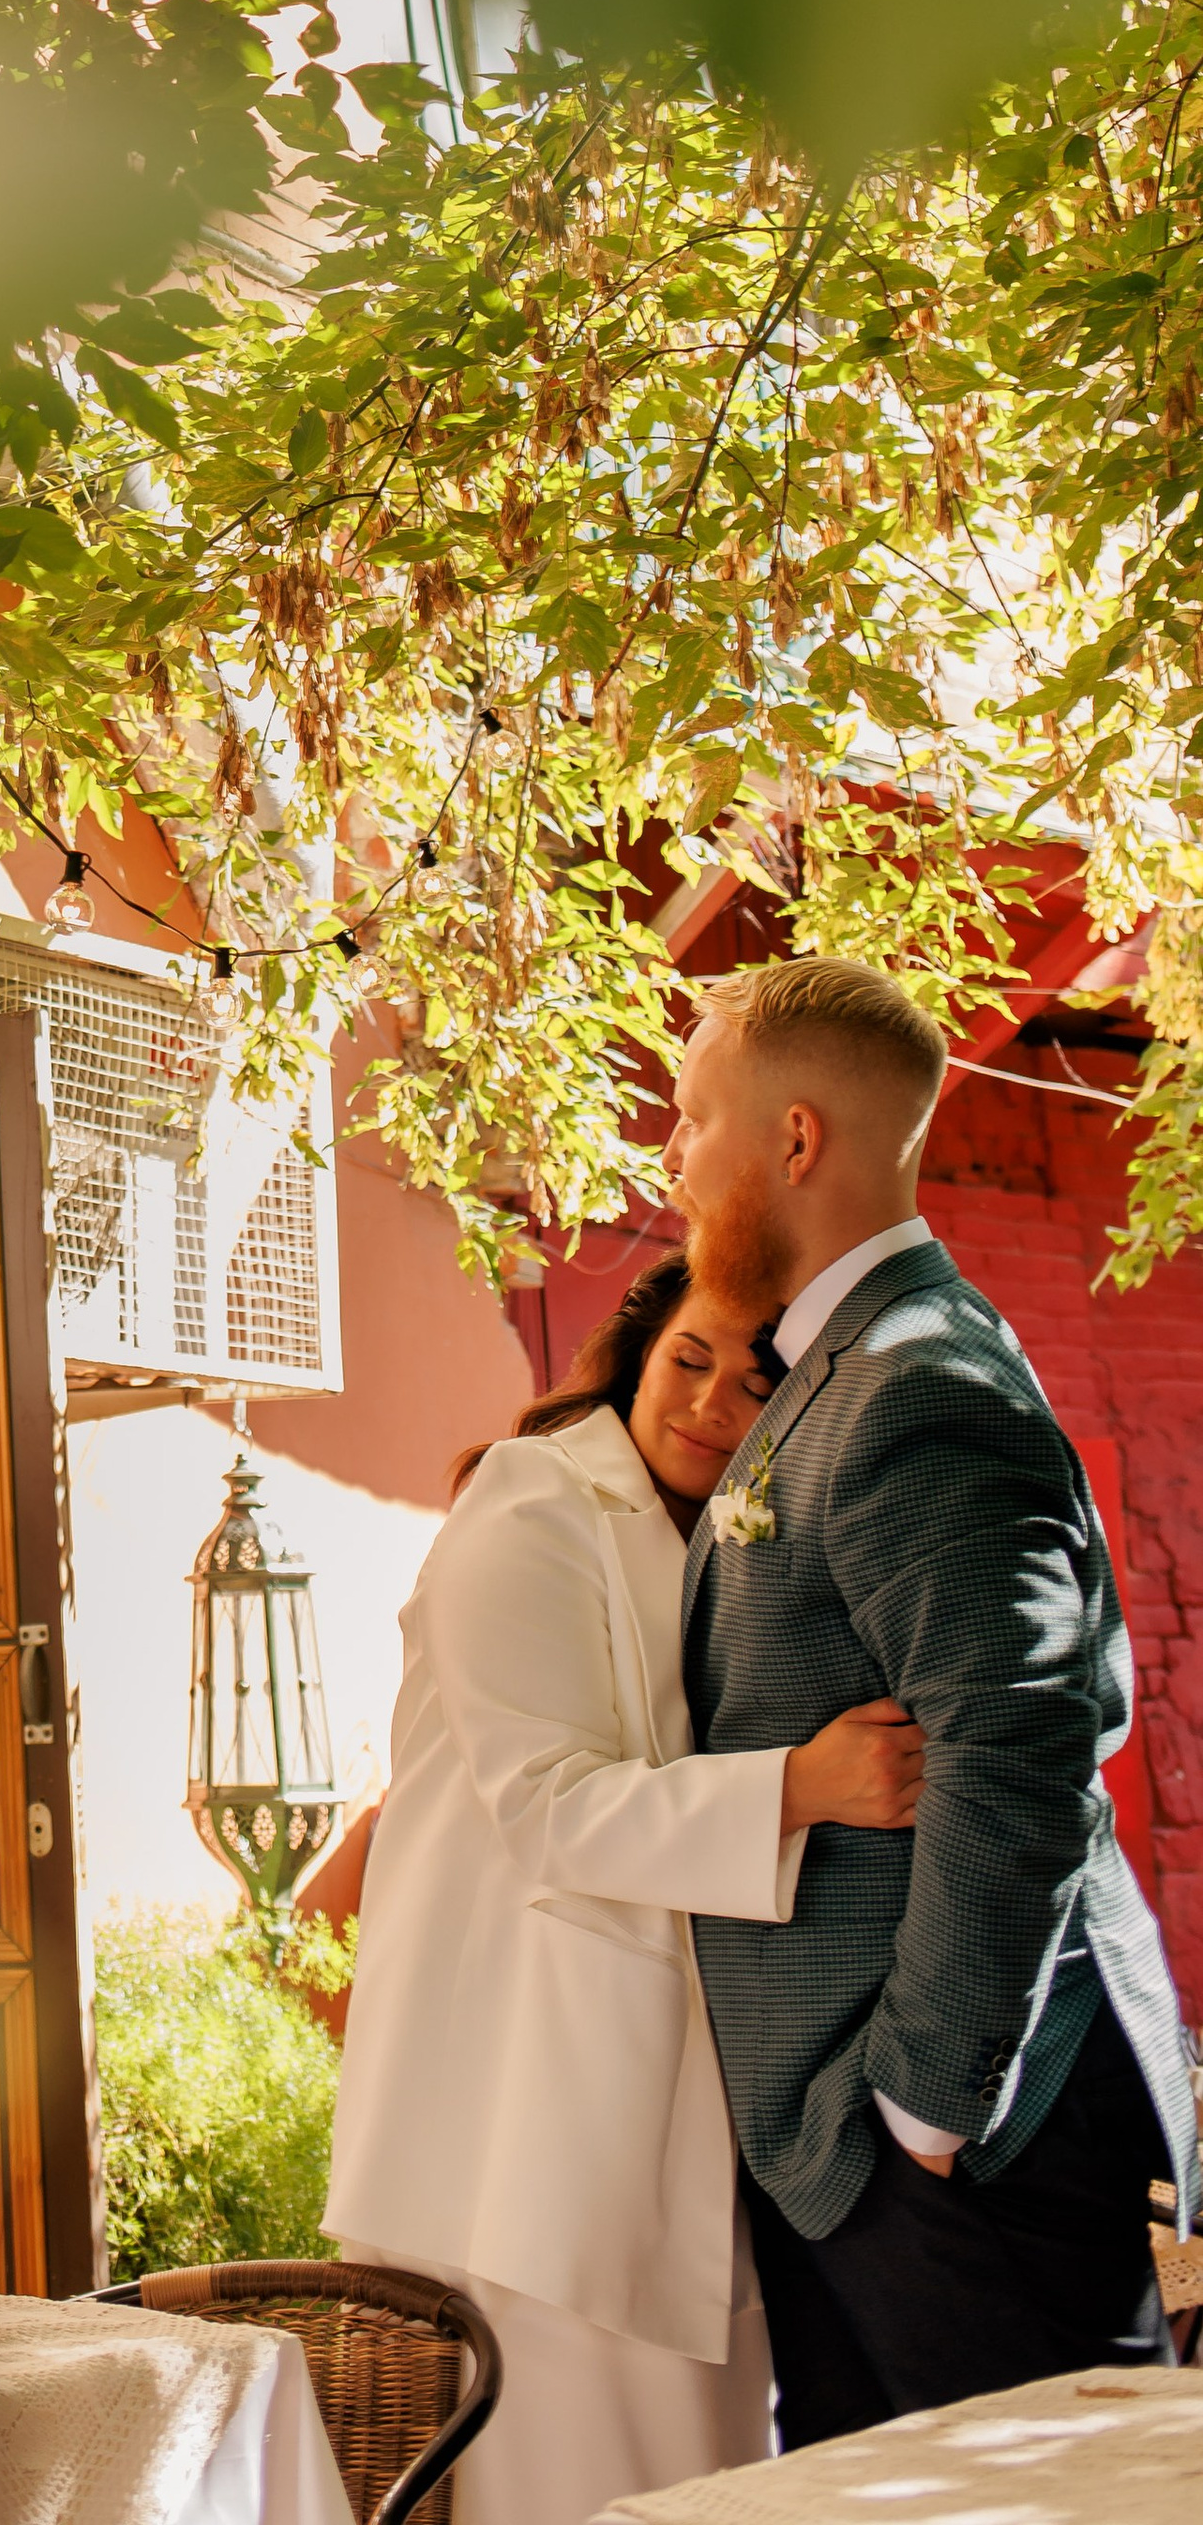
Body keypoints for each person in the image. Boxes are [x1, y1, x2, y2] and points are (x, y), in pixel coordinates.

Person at [671, 952, 1200, 2444]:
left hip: (967, 2145)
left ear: (793, 1140)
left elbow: (1019, 1752)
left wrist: (924, 2108)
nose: (672, 1154)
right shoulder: (843, 1369)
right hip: (865, 2154)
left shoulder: (918, 1383)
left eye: (694, 1117)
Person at [323, 1255, 924, 2525]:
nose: (709, 1400)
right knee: (582, 2475)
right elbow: (549, 1801)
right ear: (637, 1357)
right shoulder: (532, 1501)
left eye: (754, 1381)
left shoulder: (722, 1542)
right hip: (530, 2098)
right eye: (688, 1359)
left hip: (666, 2098)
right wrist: (802, 1787)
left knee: (691, 2469)